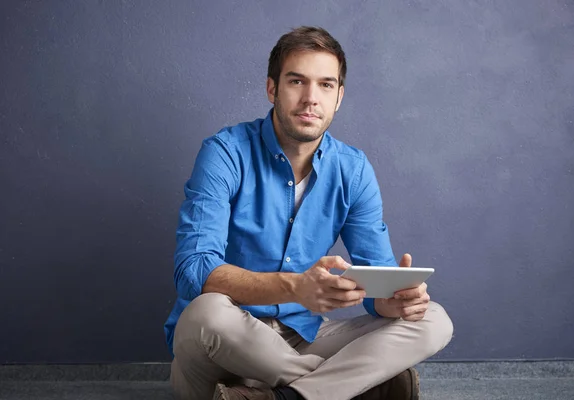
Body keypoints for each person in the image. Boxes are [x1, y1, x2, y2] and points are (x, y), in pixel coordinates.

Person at [164, 26, 453, 400]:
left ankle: (288, 396)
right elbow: (193, 270)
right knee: (207, 313)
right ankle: (352, 388)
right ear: (272, 89)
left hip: (302, 342)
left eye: (326, 85)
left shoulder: (353, 169)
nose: (311, 99)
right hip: (223, 343)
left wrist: (392, 299)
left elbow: (376, 284)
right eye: (297, 81)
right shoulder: (225, 153)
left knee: (433, 321)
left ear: (339, 97)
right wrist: (295, 287)